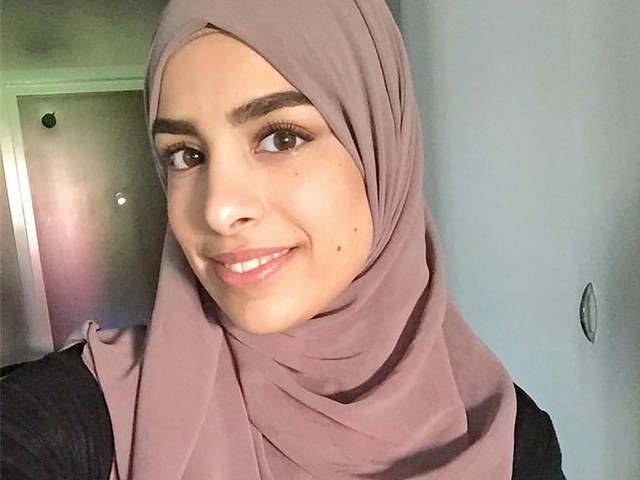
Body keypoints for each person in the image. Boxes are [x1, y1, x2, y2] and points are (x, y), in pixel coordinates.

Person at [0, 0, 565, 478]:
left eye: (281, 138)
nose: (219, 209)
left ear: (380, 149)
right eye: (186, 155)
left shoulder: (509, 439)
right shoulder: (82, 417)